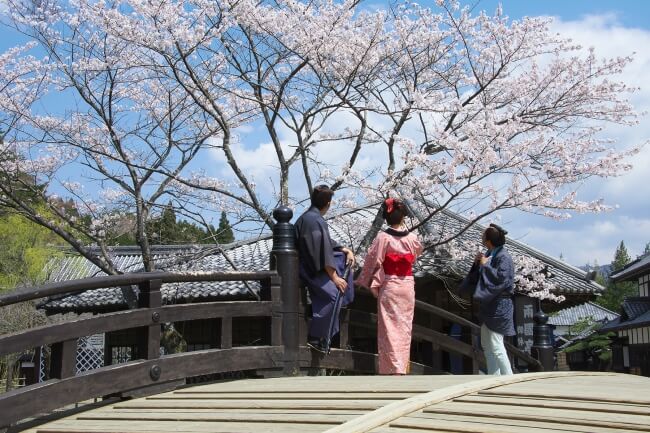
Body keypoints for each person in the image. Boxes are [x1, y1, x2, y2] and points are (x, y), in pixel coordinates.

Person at [355, 198, 422, 374]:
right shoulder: (412, 238)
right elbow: (415, 255)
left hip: (390, 286)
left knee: (389, 328)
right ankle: (402, 367)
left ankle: (392, 369)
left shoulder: (383, 238)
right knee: (404, 327)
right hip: (406, 285)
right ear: (403, 218)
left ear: (386, 218)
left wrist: (363, 280)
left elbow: (372, 260)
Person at [294, 185, 355, 353]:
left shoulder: (309, 218)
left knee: (340, 271)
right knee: (334, 294)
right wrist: (334, 276)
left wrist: (344, 248)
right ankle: (316, 337)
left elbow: (325, 244)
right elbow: (320, 250)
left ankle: (322, 337)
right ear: (328, 203)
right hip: (310, 268)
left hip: (310, 265)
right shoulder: (314, 220)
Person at [459, 223, 515, 375]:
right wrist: (478, 263)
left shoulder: (504, 257)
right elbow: (479, 276)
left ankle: (508, 377)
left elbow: (501, 280)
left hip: (499, 305)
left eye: (484, 236)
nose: (481, 237)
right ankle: (493, 376)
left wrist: (485, 266)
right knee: (486, 344)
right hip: (488, 305)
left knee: (496, 344)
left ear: (488, 240)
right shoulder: (490, 253)